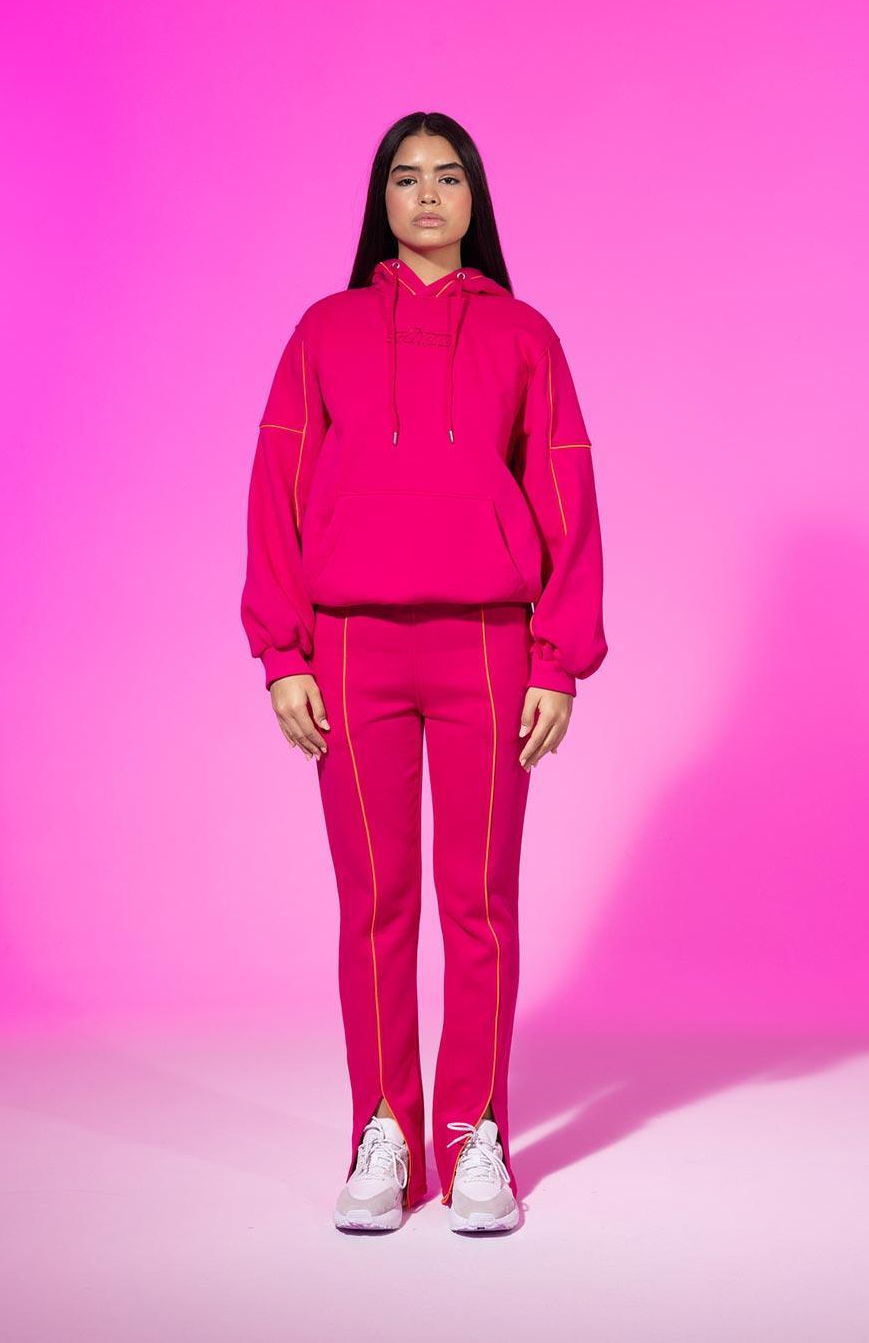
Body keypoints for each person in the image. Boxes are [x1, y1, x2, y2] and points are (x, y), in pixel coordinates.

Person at [240, 111, 608, 1233]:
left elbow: (565, 493)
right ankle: (384, 1134)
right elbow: (277, 487)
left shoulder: (524, 335)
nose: (430, 195)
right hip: (351, 646)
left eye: (449, 177)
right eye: (407, 178)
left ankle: (474, 1133)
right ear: (382, 200)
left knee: (479, 904)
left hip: (488, 649)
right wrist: (282, 651)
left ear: (474, 197)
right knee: (375, 904)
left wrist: (557, 659)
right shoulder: (325, 330)